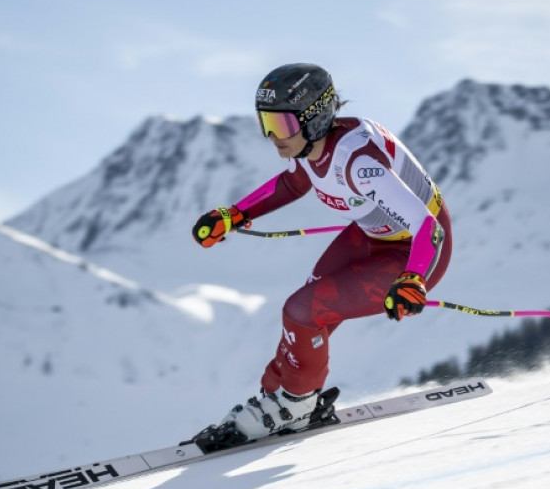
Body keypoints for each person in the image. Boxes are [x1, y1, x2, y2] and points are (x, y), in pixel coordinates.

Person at [191, 63, 452, 442]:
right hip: (373, 235)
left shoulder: (359, 163)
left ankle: (296, 404)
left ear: (313, 118)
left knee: (303, 310)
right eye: (266, 124)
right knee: (309, 303)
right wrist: (235, 214)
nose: (272, 137)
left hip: (416, 251)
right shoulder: (311, 146)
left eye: (281, 125)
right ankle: (278, 394)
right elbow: (293, 182)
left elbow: (428, 226)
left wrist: (412, 278)